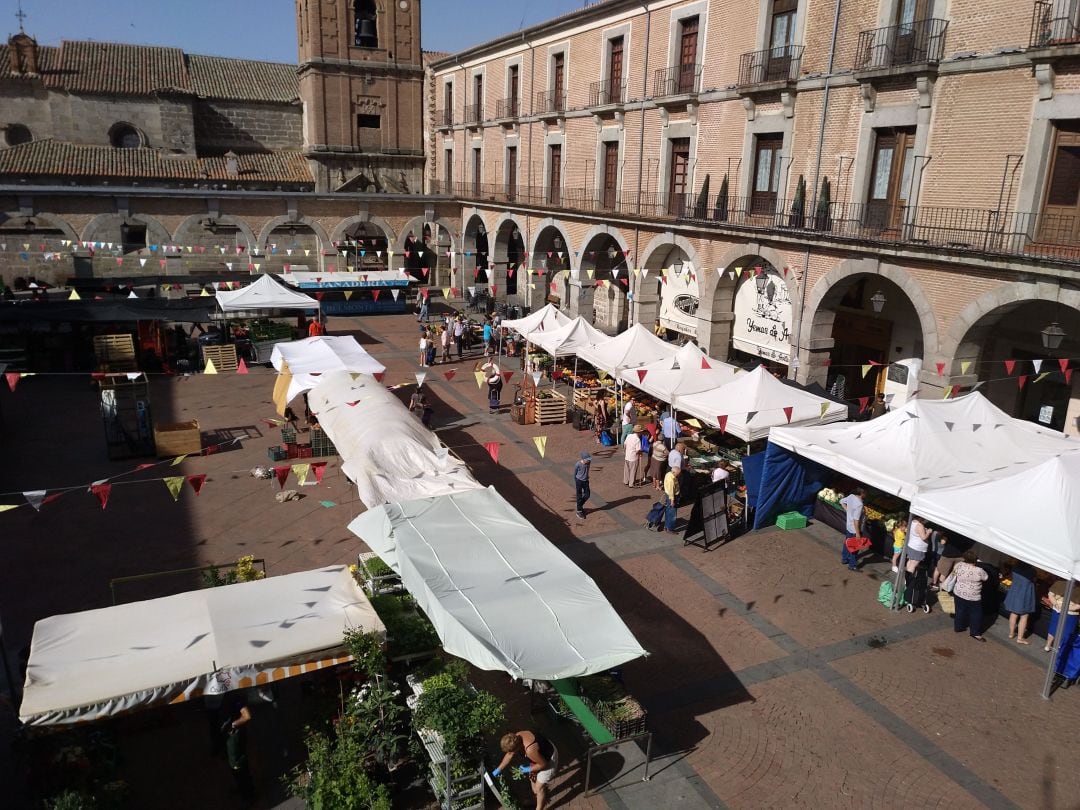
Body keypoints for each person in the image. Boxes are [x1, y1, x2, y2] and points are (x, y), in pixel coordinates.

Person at [493, 731, 558, 810]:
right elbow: (509, 755)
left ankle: (539, 808)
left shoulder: (530, 750)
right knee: (532, 778)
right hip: (539, 753)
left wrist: (528, 769)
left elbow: (544, 764)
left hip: (548, 758)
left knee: (539, 787)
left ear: (517, 748)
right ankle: (538, 799)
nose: (510, 753)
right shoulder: (515, 737)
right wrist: (498, 770)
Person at [221, 691, 255, 805]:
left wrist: (233, 724)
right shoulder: (229, 695)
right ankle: (242, 788)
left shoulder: (235, 697)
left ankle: (249, 797)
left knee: (238, 766)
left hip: (234, 737)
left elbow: (247, 715)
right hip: (231, 737)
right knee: (235, 765)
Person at [952, 550, 989, 641]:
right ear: (976, 560)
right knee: (976, 614)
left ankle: (958, 627)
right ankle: (975, 632)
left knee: (959, 610)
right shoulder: (979, 570)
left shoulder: (959, 565)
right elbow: (986, 578)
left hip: (959, 592)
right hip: (973, 596)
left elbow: (954, 572)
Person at [1004, 560, 1037, 645]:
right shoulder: (1032, 571)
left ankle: (1011, 634)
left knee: (1014, 613)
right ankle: (1020, 638)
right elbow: (1034, 580)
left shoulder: (1015, 567)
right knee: (1024, 615)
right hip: (1025, 594)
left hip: (1015, 591)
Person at [1044, 578, 1080, 653]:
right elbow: (1078, 606)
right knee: (1067, 632)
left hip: (1057, 610)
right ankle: (1060, 648)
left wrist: (1056, 605)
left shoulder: (1059, 582)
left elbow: (1050, 594)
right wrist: (1066, 608)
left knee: (1053, 628)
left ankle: (1048, 645)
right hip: (1071, 614)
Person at [839, 487, 865, 571]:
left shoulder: (851, 496)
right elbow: (856, 520)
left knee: (847, 542)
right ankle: (852, 565)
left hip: (848, 526)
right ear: (862, 494)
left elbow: (841, 501)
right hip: (854, 528)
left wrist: (848, 511)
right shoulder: (859, 504)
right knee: (854, 547)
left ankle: (844, 559)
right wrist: (857, 533)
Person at [661, 465, 680, 532]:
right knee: (672, 513)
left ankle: (666, 526)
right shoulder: (671, 480)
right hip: (671, 497)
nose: (678, 475)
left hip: (668, 495)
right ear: (674, 472)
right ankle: (670, 528)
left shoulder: (669, 474)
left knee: (668, 511)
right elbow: (671, 491)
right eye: (677, 474)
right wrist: (672, 501)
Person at [574, 451, 591, 519]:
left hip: (586, 481)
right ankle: (579, 511)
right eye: (587, 459)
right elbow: (575, 473)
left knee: (587, 495)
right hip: (579, 481)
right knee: (579, 495)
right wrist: (576, 481)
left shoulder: (589, 462)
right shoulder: (578, 464)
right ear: (583, 459)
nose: (589, 460)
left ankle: (579, 505)